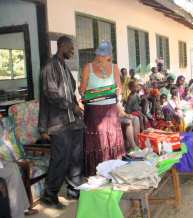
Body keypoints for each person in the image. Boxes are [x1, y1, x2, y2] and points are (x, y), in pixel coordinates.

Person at [39, 36, 84, 208]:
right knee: (60, 158)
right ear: (62, 46)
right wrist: (72, 107)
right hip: (58, 122)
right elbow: (52, 94)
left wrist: (77, 108)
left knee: (75, 156)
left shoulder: (64, 67)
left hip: (72, 121)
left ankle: (74, 188)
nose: (73, 51)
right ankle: (49, 195)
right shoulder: (50, 67)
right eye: (71, 48)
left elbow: (70, 92)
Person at [80, 41, 125, 177]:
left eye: (104, 55)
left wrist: (117, 91)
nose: (101, 57)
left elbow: (120, 87)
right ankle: (97, 172)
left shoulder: (115, 67)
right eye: (100, 54)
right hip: (93, 111)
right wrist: (91, 94)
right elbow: (82, 90)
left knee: (111, 138)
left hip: (110, 109)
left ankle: (112, 170)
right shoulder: (88, 67)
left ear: (109, 56)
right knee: (97, 140)